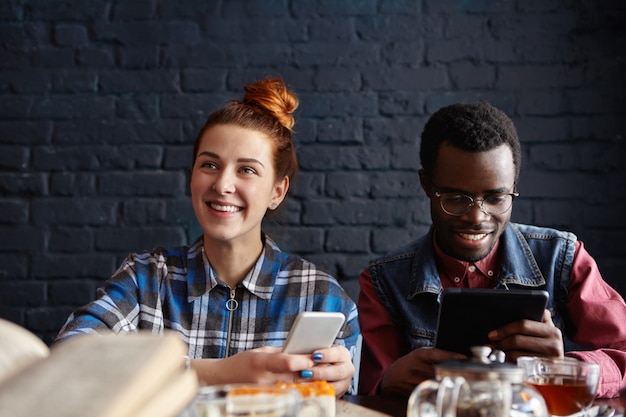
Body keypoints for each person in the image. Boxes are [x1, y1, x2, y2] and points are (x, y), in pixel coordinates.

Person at [55, 77, 359, 397]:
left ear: (277, 191)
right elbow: (68, 359)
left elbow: (351, 399)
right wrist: (215, 373)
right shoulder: (145, 279)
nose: (223, 184)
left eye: (247, 170)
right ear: (192, 177)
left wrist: (341, 386)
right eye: (210, 164)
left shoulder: (321, 295)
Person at [357, 101, 626, 398]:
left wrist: (561, 368)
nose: (477, 217)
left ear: (513, 187)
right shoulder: (383, 283)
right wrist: (387, 382)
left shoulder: (564, 259)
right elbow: (368, 391)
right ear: (426, 185)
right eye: (456, 198)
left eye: (496, 198)